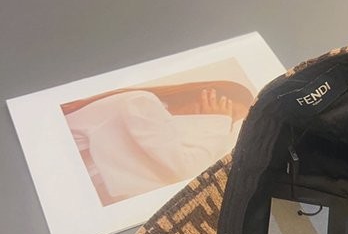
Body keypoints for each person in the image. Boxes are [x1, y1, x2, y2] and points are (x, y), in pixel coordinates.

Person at [62, 82, 252, 205]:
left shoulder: (167, 127)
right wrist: (216, 123)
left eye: (229, 121)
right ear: (208, 95)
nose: (224, 123)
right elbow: (185, 171)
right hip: (64, 174)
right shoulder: (143, 103)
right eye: (226, 113)